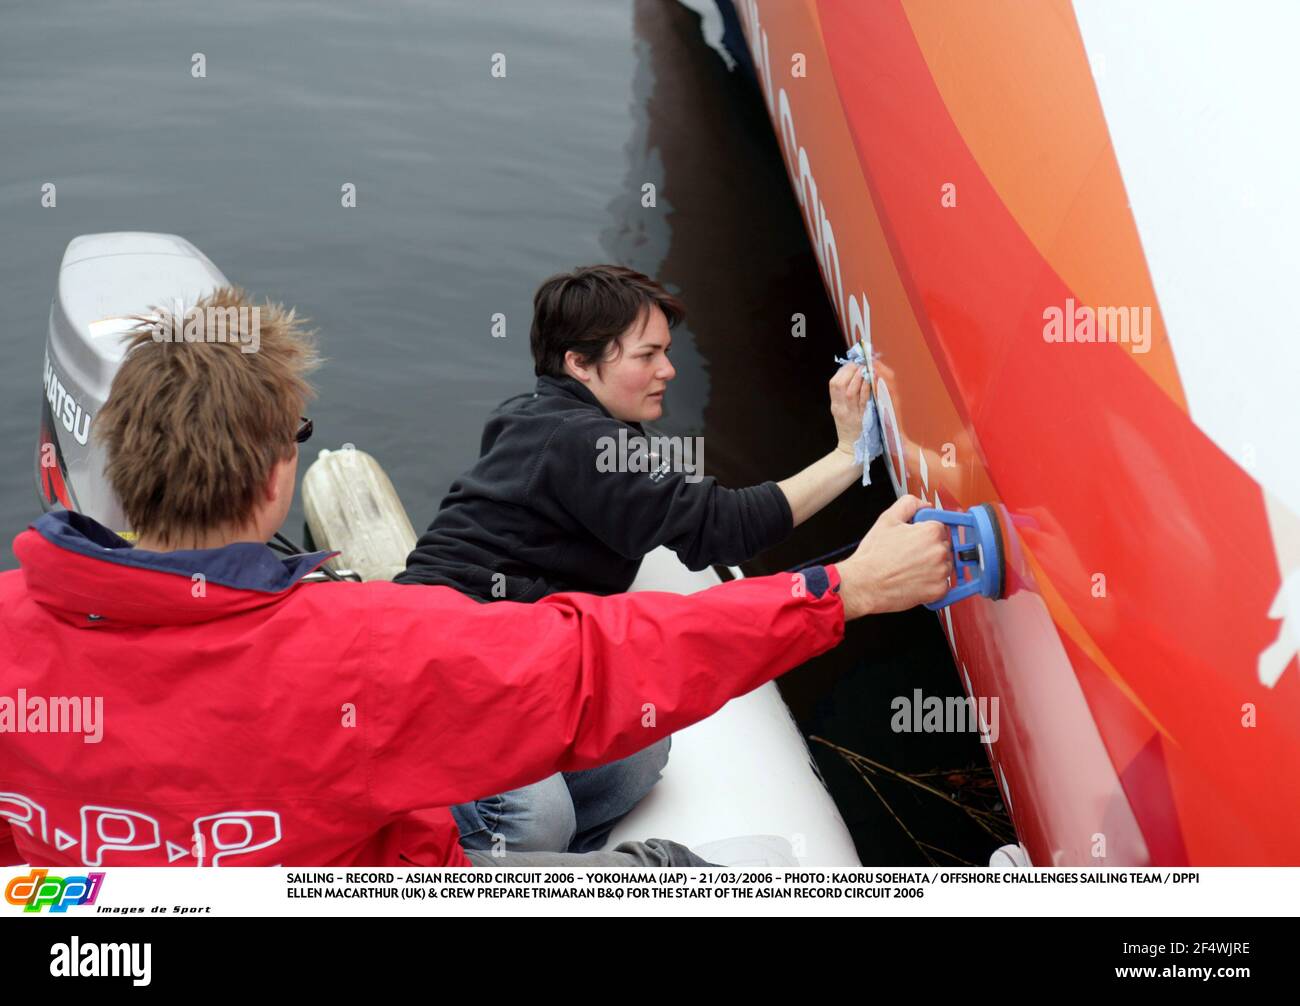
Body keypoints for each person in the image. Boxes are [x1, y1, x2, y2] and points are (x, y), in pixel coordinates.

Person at [0, 287, 952, 869]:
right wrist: (847, 588)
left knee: (626, 762)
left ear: (115, 469)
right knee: (588, 796)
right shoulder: (357, 650)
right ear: (276, 476)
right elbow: (606, 663)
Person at [397, 265, 875, 855]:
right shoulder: (586, 443)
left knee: (639, 750)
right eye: (648, 356)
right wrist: (850, 455)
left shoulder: (539, 419)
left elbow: (674, 510)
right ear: (579, 363)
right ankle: (500, 859)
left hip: (513, 663)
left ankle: (549, 865)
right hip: (445, 668)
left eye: (667, 353)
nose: (668, 371)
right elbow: (721, 529)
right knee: (531, 812)